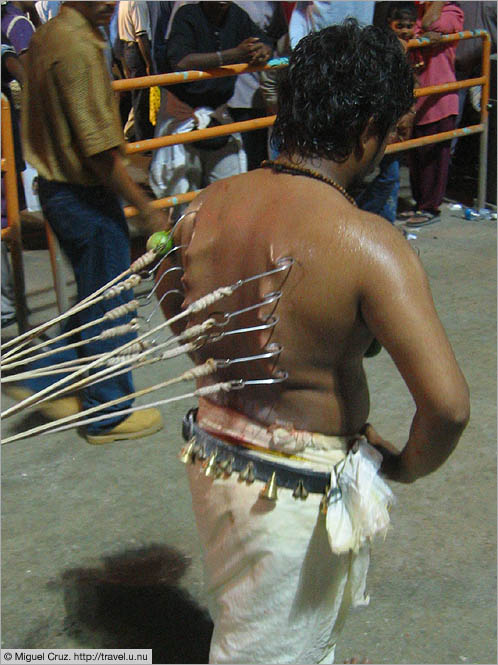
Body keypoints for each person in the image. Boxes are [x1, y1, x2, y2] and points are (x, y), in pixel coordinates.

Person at [155, 19, 469, 664]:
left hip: (213, 456)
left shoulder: (197, 210)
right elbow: (448, 407)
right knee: (264, 652)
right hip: (293, 500)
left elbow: (177, 308)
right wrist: (406, 466)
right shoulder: (366, 242)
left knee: (250, 622)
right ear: (365, 133)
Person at [19, 1, 169, 441]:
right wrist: (146, 207)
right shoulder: (79, 48)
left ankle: (43, 379)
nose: (108, 3)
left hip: (55, 187)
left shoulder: (49, 33)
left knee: (94, 294)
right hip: (81, 192)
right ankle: (109, 413)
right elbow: (101, 152)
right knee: (110, 302)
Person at [149, 1, 271, 217]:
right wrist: (233, 55)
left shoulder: (237, 16)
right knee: (184, 205)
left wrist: (264, 50)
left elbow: (264, 40)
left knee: (229, 196)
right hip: (184, 117)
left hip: (218, 115)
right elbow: (181, 61)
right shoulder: (187, 15)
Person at [403, 1, 464, 227]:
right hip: (417, 99)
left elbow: (432, 24)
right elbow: (410, 31)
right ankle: (420, 203)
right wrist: (424, 34)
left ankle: (429, 208)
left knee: (434, 159)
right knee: (416, 157)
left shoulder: (452, 12)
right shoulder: (415, 13)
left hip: (440, 100)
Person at [356, 1, 418, 223]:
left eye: (409, 26)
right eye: (399, 25)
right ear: (389, 25)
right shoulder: (384, 51)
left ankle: (384, 221)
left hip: (395, 121)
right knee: (387, 175)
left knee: (391, 175)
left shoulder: (409, 48)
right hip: (381, 121)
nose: (405, 30)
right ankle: (362, 212)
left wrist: (408, 113)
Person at [118, 0, 154, 141]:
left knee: (138, 95)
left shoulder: (124, 2)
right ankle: (143, 138)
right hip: (138, 51)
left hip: (128, 48)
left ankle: (132, 132)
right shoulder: (137, 2)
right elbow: (141, 35)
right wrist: (149, 63)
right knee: (141, 97)